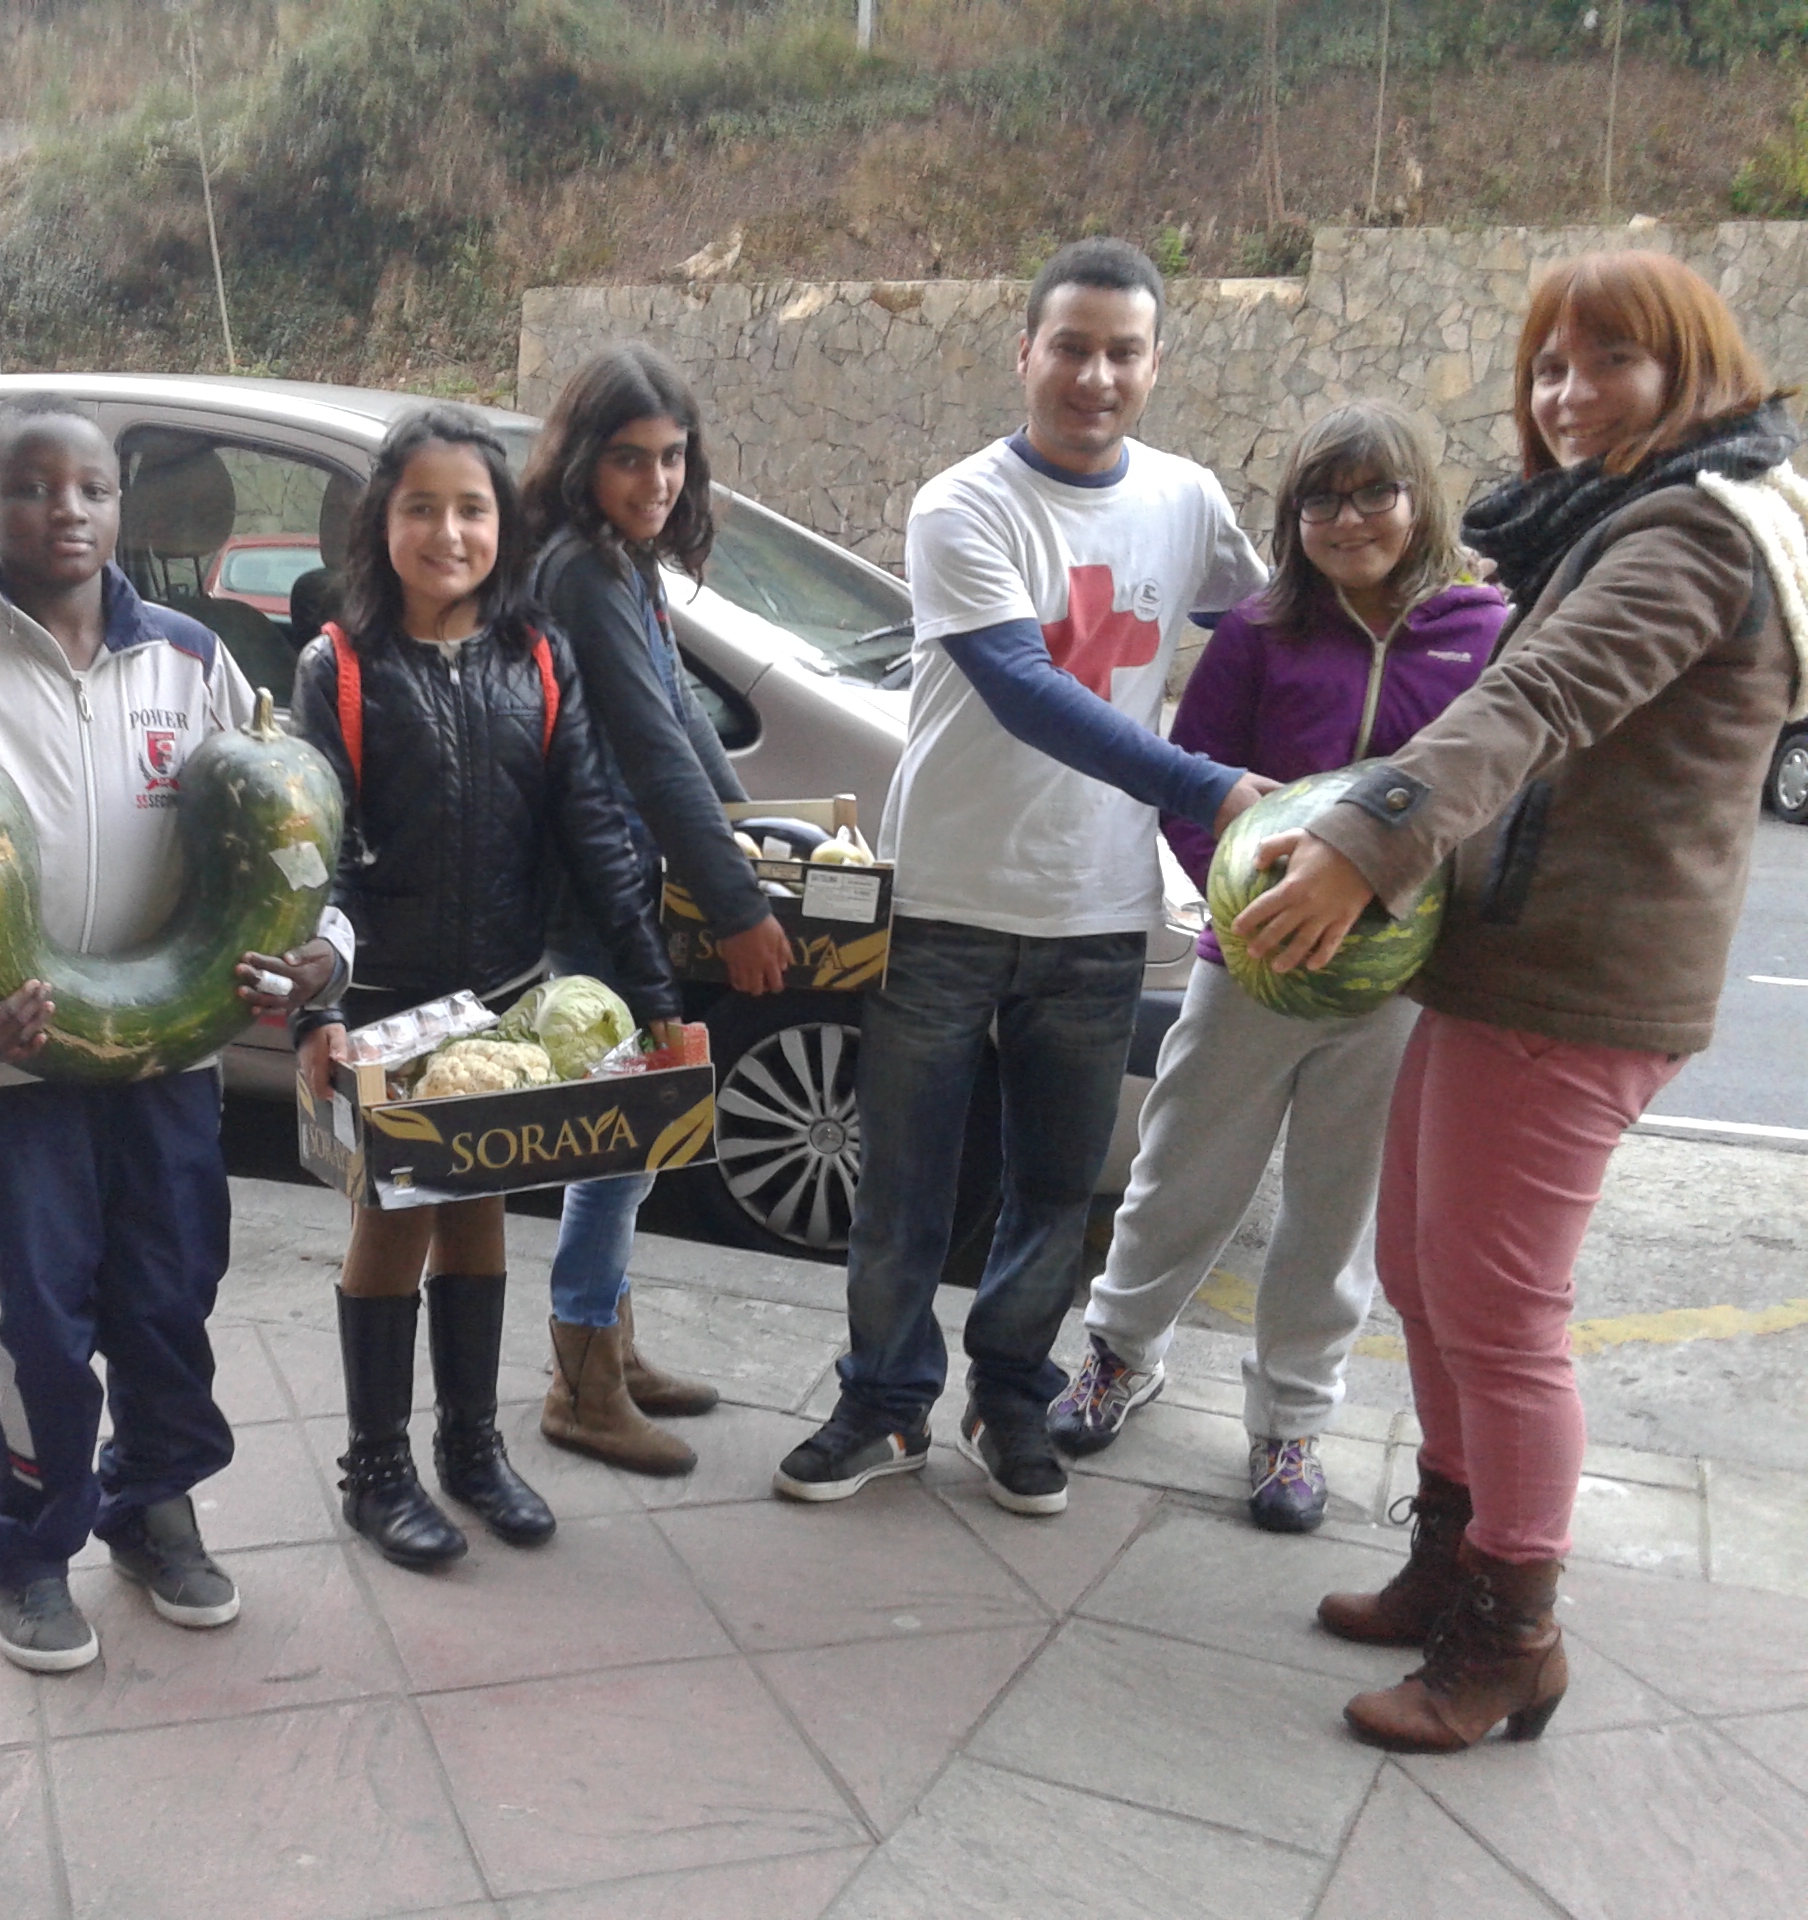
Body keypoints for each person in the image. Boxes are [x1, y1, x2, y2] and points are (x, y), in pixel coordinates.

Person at [1235, 252, 1804, 1751]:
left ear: (1692, 370)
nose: (1567, 396)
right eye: (1548, 366)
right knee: (1425, 1276)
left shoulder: (1697, 531)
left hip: (1580, 980)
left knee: (1498, 1308)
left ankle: (1511, 1637)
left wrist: (1365, 840)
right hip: (1503, 958)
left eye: (1611, 361)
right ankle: (1452, 1555)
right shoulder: (1616, 516)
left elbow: (1542, 697)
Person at [773, 236, 1278, 1516]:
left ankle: (1009, 1399)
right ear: (1024, 353)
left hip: (1097, 913)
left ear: (1154, 366)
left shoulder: (1187, 501)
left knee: (1053, 1191)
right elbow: (1023, 688)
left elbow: (1277, 633)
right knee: (905, 1190)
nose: (1094, 376)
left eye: (1122, 352)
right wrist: (1208, 787)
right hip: (943, 899)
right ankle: (884, 1403)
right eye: (1071, 347)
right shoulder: (963, 504)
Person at [0, 398, 351, 1665]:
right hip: (9, 1069)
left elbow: (283, 831)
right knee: (34, 1321)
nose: (65, 511)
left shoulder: (195, 661)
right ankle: (28, 1544)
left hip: (172, 1057)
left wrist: (321, 955)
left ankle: (153, 1506)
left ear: (120, 506)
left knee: (167, 1297)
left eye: (90, 488)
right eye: (31, 489)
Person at [1046, 400, 1502, 1531]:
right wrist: (1242, 905)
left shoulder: (1484, 631)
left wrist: (1418, 924)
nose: (1348, 521)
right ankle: (1118, 1355)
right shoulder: (1260, 631)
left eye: (1374, 493)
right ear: (1291, 518)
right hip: (1246, 964)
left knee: (1336, 1208)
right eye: (1320, 501)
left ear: (1419, 499)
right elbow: (1193, 778)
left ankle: (1292, 1422)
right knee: (1181, 1170)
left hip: (1395, 986)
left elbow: (1499, 797)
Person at [292, 405, 683, 1568]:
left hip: (506, 1002)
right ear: (382, 521)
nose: (448, 533)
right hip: (385, 1007)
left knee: (478, 1215)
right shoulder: (338, 667)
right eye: (421, 508)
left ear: (502, 525)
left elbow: (595, 834)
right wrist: (319, 1009)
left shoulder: (539, 658)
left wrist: (657, 999)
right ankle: (376, 1470)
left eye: (471, 509)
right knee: (392, 1223)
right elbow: (312, 850)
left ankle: (471, 1448)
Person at [518, 342, 788, 1475]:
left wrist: (760, 842)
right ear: (584, 460)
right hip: (593, 893)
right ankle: (581, 1380)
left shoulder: (621, 564)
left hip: (625, 882)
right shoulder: (582, 571)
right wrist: (739, 902)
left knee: (626, 1134)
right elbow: (646, 744)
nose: (658, 480)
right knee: (620, 1134)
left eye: (673, 456)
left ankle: (609, 1348)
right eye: (630, 458)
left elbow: (683, 721)